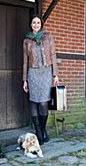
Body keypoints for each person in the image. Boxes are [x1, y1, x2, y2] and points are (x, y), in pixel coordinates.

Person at [23, 15, 59, 145]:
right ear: (31, 24)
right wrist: (25, 80)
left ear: (41, 24)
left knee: (44, 102)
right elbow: (25, 61)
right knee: (33, 101)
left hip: (46, 72)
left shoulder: (48, 37)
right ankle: (38, 132)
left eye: (38, 22)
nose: (36, 24)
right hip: (32, 73)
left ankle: (43, 129)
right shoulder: (27, 40)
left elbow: (53, 55)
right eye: (34, 22)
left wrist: (55, 74)